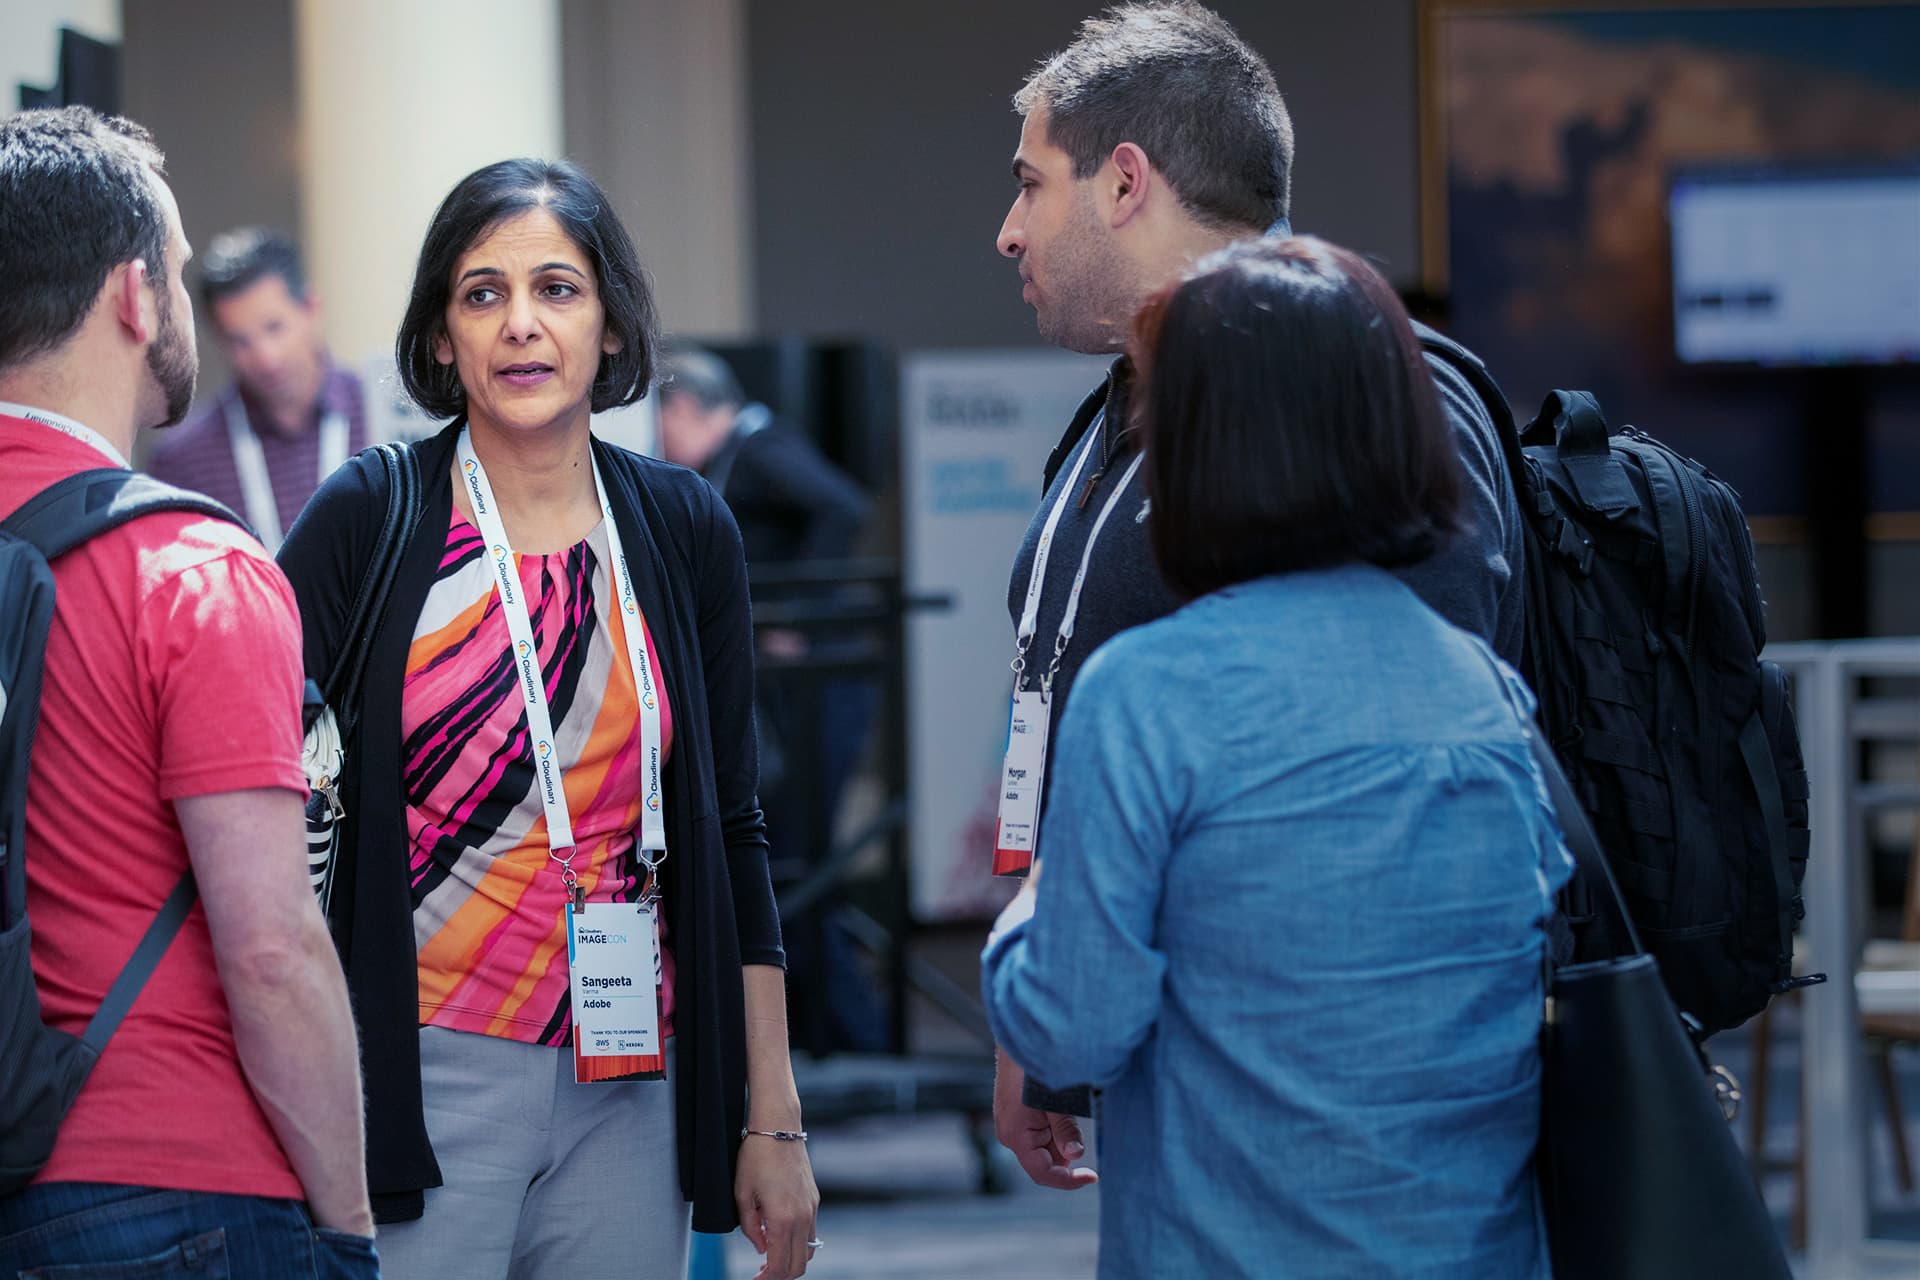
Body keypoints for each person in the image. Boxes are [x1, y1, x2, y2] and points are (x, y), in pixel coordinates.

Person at [988, 0, 1527, 1185]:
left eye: (1031, 185)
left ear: (1124, 182)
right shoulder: (1123, 409)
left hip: (1346, 1128)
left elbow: (1418, 799)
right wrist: (1054, 1006)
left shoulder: (1379, 394)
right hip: (1165, 1075)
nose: (1008, 232)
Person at [981, 235, 1569, 1279]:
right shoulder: (1483, 691)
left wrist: (1032, 902)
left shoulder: (1148, 692)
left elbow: (1071, 1029)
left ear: (1201, 447)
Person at [276, 158, 819, 1280]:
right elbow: (251, 770)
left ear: (611, 327)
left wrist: (774, 1119)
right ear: (442, 338)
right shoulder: (371, 514)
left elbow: (734, 827)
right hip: (420, 1069)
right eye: (483, 294)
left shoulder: (682, 527)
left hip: (634, 1074)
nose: (521, 324)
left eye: (557, 289)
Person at [0, 108, 376, 1275]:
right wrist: (350, 1224)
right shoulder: (190, 568)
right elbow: (273, 950)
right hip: (174, 1178)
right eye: (172, 266)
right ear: (134, 294)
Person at [658, 346, 887, 1051]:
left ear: (686, 408)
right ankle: (826, 1029)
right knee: (790, 854)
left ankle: (854, 1035)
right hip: (800, 690)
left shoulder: (759, 446)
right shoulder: (739, 460)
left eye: (661, 423)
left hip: (825, 683)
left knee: (801, 854)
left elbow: (843, 505)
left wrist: (797, 614)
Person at [148, 227, 368, 549]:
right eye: (240, 341)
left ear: (311, 308)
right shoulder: (184, 459)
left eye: (274, 327)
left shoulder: (380, 414)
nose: (266, 358)